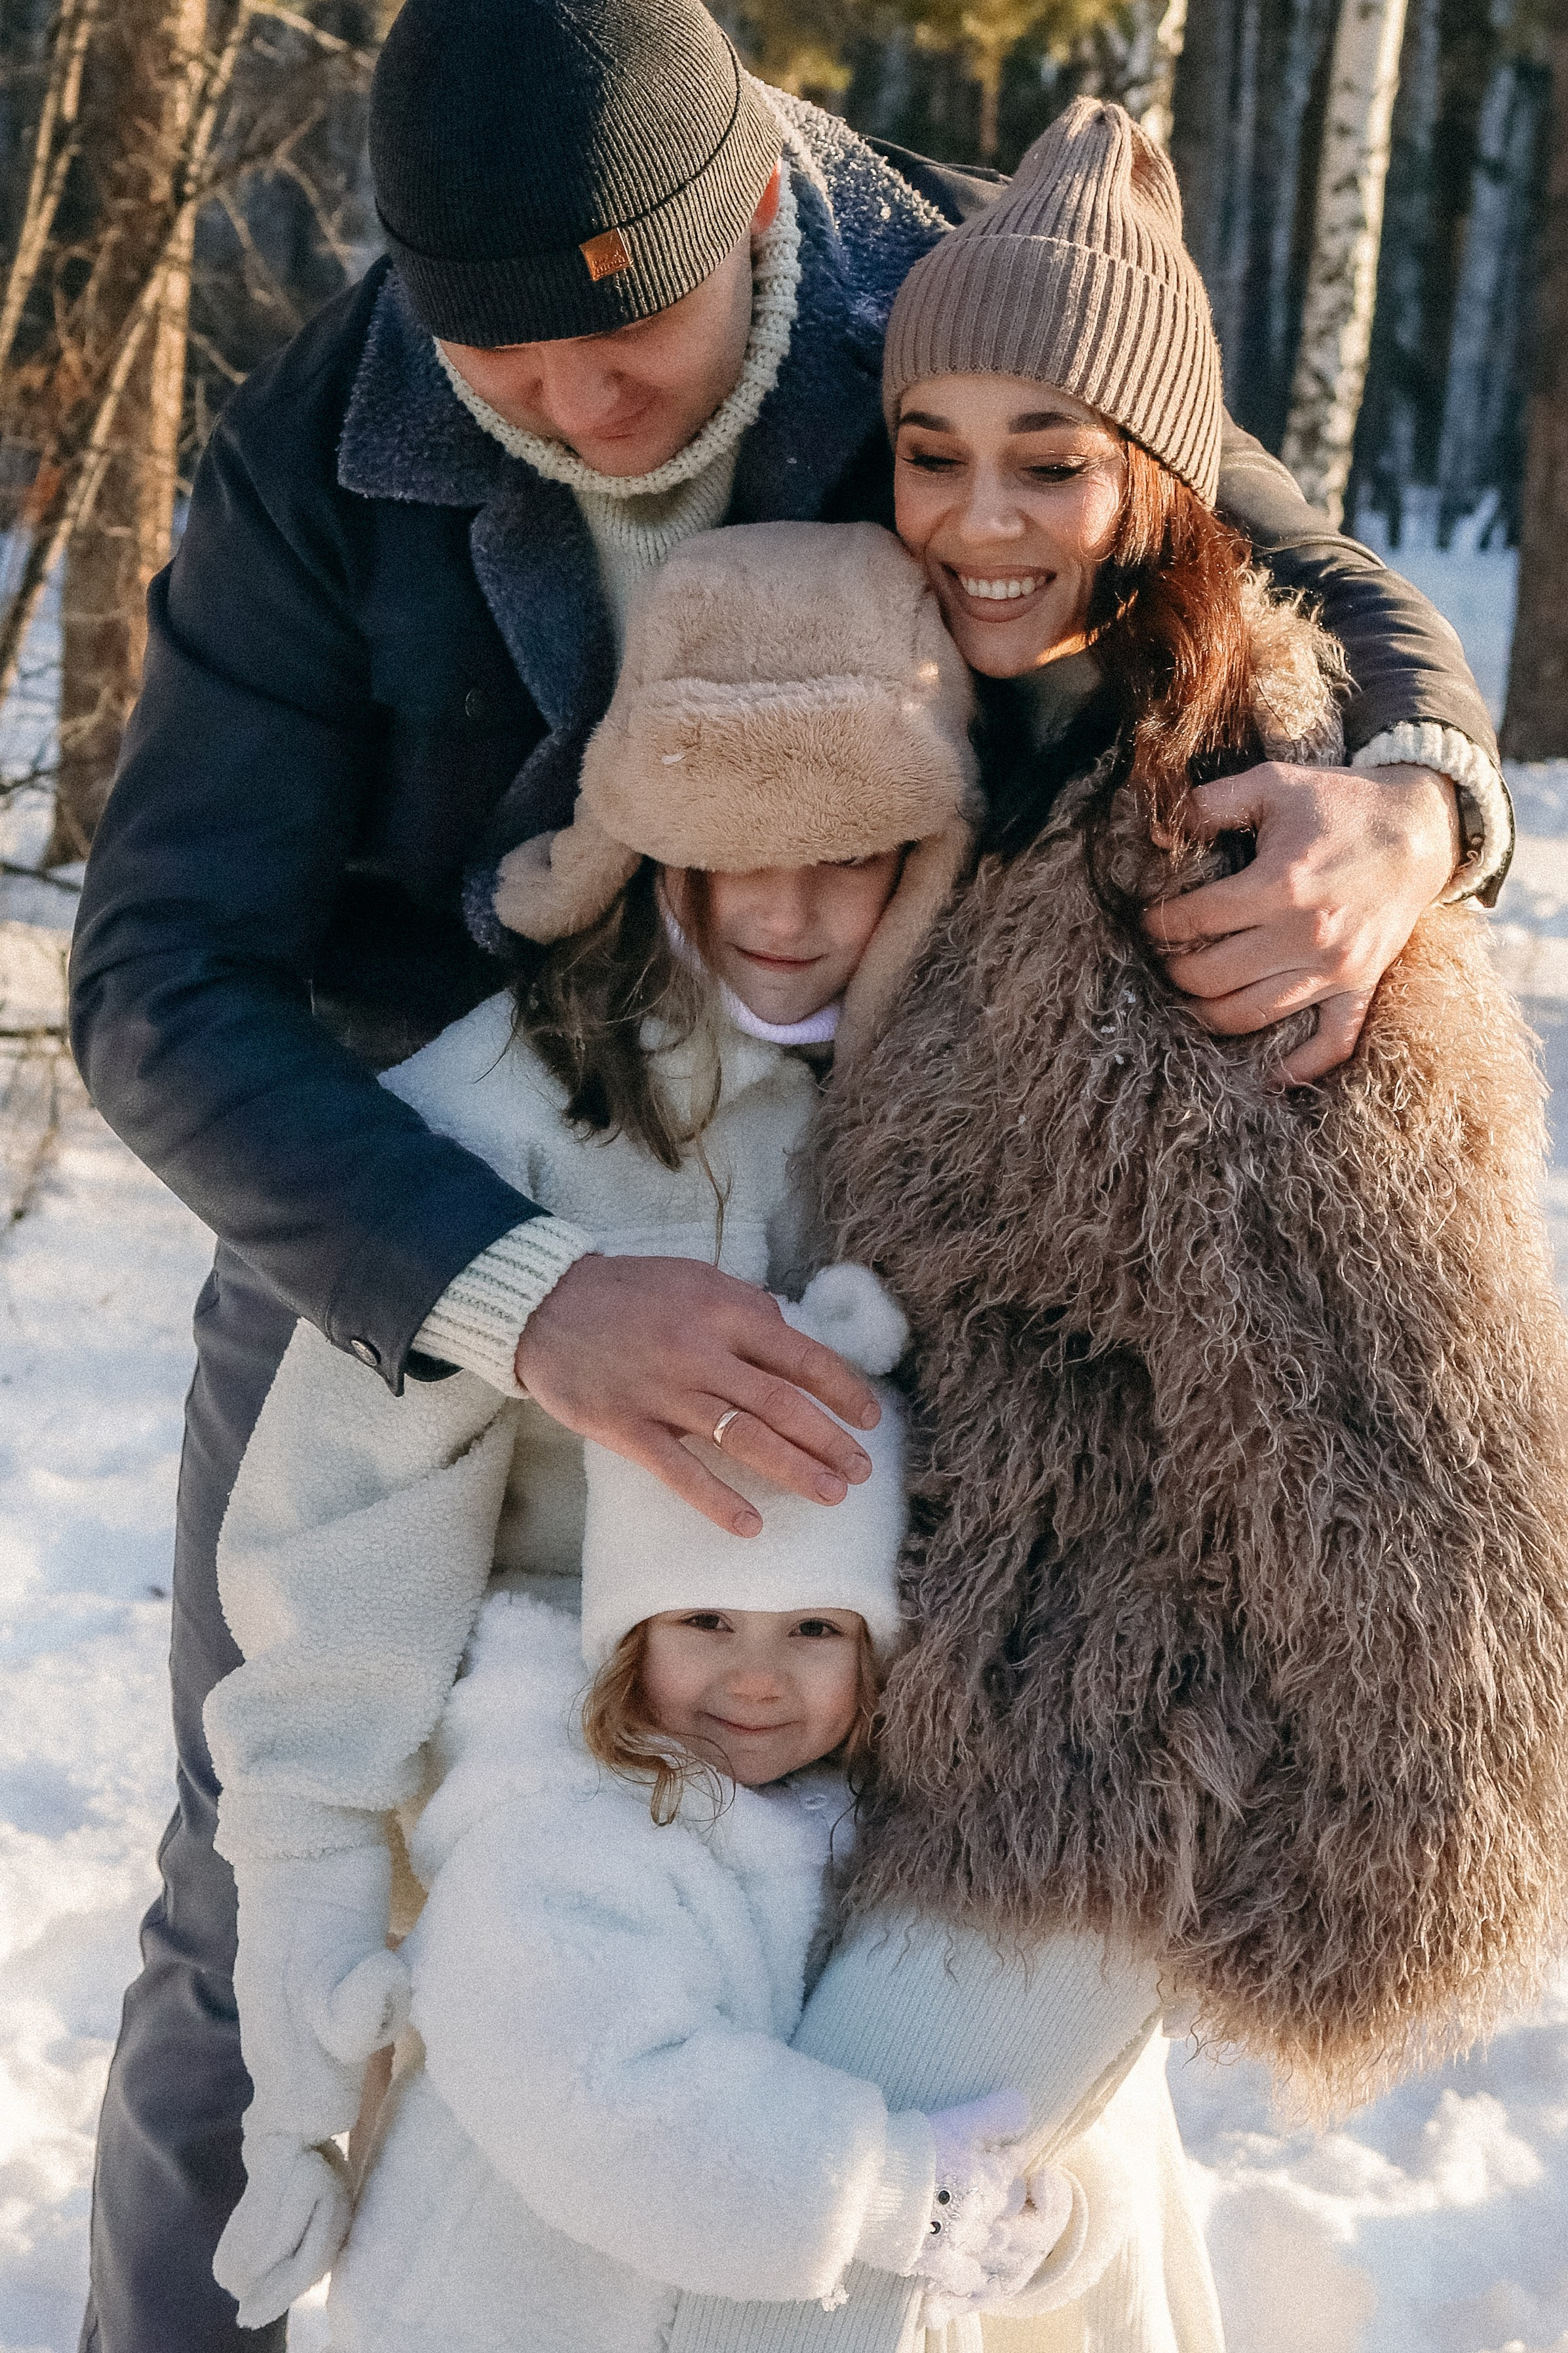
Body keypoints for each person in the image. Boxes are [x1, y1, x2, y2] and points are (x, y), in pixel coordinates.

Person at [66, 1, 1510, 2342]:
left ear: (747, 207)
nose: (567, 410)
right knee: (268, 1892)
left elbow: (1302, 580)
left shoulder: (944, 313)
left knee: (849, 1879)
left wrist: (1420, 802)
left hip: (848, 1218)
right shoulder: (332, 434)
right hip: (401, 1203)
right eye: (496, 361)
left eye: (617, 339)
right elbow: (156, 981)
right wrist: (510, 1283)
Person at [650, 100, 1568, 2353]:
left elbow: (1391, 1405)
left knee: (812, 2280)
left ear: (1163, 481)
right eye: (930, 450)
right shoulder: (964, 751)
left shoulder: (1242, 852)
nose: (977, 517)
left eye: (1048, 460)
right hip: (918, 1686)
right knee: (1065, 2267)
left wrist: (1364, 1827)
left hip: (1102, 1751)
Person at [221, 1268, 1096, 2352]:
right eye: (706, 1619)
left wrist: (1026, 2235)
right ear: (626, 1636)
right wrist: (896, 2194)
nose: (759, 1675)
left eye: (816, 1628)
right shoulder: (552, 1846)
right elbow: (608, 2105)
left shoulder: (867, 1824)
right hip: (499, 2318)